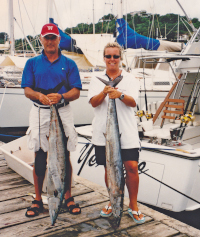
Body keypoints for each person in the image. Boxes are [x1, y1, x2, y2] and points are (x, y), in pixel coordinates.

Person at [21, 23, 82, 217]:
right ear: (41, 39)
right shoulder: (32, 63)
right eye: (46, 37)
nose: (49, 41)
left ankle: (68, 196)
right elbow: (27, 89)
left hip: (62, 110)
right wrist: (39, 96)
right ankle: (38, 199)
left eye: (52, 37)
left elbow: (76, 91)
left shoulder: (70, 63)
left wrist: (62, 97)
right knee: (40, 155)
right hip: (40, 111)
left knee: (64, 154)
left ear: (58, 39)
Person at [88, 42, 145, 224]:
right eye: (108, 56)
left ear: (120, 58)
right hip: (103, 132)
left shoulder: (130, 79)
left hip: (126, 131)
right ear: (104, 58)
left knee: (132, 167)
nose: (112, 59)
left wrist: (119, 94)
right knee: (109, 168)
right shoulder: (95, 79)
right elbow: (94, 103)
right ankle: (113, 201)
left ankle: (133, 205)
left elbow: (133, 102)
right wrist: (104, 93)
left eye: (115, 56)